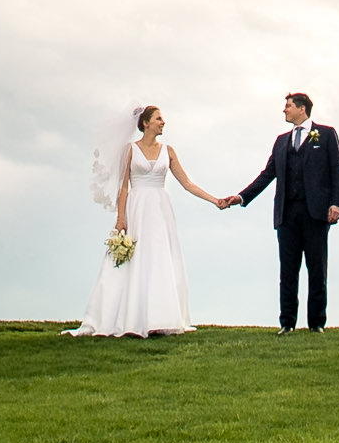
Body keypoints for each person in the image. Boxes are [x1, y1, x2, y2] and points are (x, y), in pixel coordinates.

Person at [71, 103, 233, 337]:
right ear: (145, 123)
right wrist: (120, 217)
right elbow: (123, 186)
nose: (162, 122)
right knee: (134, 261)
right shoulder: (130, 150)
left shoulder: (168, 151)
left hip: (160, 210)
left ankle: (160, 317)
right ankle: (128, 317)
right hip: (137, 208)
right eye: (158, 119)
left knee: (159, 259)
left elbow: (187, 183)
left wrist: (215, 200)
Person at [221, 91, 339, 330]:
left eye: (288, 106)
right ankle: (287, 323)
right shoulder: (281, 141)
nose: (284, 110)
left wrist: (336, 203)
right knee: (288, 271)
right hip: (287, 214)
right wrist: (241, 196)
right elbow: (267, 174)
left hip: (316, 213)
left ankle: (317, 323)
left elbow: (337, 170)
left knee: (317, 269)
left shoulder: (327, 135)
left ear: (302, 108)